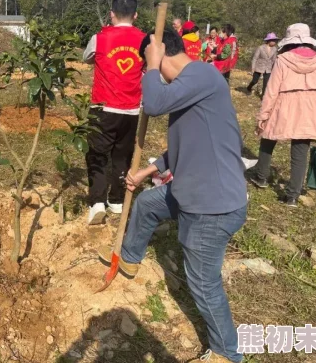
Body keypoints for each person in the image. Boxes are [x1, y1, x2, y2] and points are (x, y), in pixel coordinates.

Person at [98, 29, 247, 363]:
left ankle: (227, 353)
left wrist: (151, 66)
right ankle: (130, 261)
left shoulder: (202, 75)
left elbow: (152, 103)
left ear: (161, 53)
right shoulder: (191, 87)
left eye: (147, 64)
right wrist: (146, 172)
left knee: (203, 282)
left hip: (213, 205)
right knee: (149, 203)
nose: (147, 73)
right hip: (193, 190)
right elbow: (180, 148)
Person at [82, 0, 146, 224]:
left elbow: (86, 58)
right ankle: (117, 200)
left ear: (111, 13)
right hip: (130, 111)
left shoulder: (100, 38)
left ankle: (97, 202)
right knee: (122, 155)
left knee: (97, 154)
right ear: (135, 15)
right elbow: (149, 67)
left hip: (103, 107)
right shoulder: (145, 40)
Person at [250, 23, 316, 207]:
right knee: (300, 152)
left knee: (268, 137)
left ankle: (261, 177)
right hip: (311, 108)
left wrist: (263, 116)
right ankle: (292, 196)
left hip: (284, 105)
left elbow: (271, 90)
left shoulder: (283, 59)